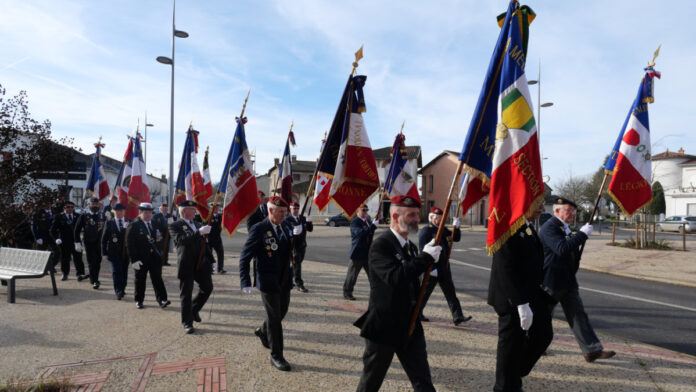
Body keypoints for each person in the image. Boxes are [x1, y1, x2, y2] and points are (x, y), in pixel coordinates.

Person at [353, 195, 442, 392]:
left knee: (423, 381)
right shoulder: (381, 245)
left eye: (417, 215)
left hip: (410, 324)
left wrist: (430, 266)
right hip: (384, 326)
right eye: (411, 215)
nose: (417, 219)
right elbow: (395, 278)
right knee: (370, 383)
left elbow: (412, 282)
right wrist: (424, 258)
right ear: (395, 216)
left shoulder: (409, 247)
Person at [539, 197, 616, 363]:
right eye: (569, 210)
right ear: (557, 211)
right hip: (551, 281)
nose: (573, 213)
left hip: (566, 280)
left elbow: (570, 251)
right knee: (542, 317)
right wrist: (582, 235)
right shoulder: (549, 227)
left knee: (578, 315)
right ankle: (534, 346)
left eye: (574, 211)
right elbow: (561, 249)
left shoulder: (563, 227)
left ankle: (591, 350)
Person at [488, 200, 553, 391]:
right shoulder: (508, 227)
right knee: (510, 343)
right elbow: (505, 267)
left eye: (542, 203)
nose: (542, 208)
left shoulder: (527, 226)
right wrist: (520, 303)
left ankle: (515, 372)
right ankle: (505, 386)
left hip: (530, 293)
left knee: (543, 335)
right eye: (537, 203)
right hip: (511, 297)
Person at [239, 196, 294, 371]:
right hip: (268, 280)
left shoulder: (286, 226)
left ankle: (263, 331)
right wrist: (245, 281)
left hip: (284, 278)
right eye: (280, 212)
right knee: (275, 319)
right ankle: (276, 355)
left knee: (282, 311)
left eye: (285, 212)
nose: (284, 215)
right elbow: (245, 257)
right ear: (270, 211)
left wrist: (300, 235)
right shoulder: (259, 229)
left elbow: (291, 250)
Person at [417, 206, 472, 325]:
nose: (441, 220)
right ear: (431, 218)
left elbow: (455, 238)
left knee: (451, 293)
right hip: (431, 270)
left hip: (444, 267)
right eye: (438, 218)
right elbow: (422, 252)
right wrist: (430, 268)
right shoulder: (426, 232)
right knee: (424, 293)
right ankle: (417, 314)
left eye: (441, 218)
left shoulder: (443, 230)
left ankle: (457, 316)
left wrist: (456, 227)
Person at [169, 200, 214, 334]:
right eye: (192, 209)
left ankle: (194, 310)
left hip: (201, 263)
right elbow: (180, 240)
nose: (195, 212)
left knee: (207, 287)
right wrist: (198, 232)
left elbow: (204, 244)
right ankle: (187, 322)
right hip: (187, 263)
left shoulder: (197, 224)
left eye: (194, 210)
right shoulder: (175, 225)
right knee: (186, 294)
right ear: (184, 211)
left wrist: (212, 259)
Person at [126, 202, 170, 310]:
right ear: (140, 213)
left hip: (154, 257)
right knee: (140, 280)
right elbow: (130, 244)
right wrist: (134, 260)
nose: (148, 215)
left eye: (150, 213)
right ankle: (139, 300)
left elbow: (163, 236)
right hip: (141, 258)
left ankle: (162, 299)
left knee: (157, 279)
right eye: (145, 213)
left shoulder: (155, 224)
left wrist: (170, 224)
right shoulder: (134, 225)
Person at [343, 204, 377, 300]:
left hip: (368, 253)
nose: (365, 212)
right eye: (363, 210)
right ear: (358, 211)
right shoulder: (355, 222)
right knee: (352, 276)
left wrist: (372, 226)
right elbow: (361, 234)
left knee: (373, 275)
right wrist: (373, 226)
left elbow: (369, 235)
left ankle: (376, 293)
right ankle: (347, 292)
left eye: (367, 210)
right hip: (357, 253)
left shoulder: (368, 221)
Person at [50, 200, 87, 281]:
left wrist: (85, 215)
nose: (70, 208)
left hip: (76, 241)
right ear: (64, 208)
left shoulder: (78, 216)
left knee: (78, 258)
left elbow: (85, 227)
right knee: (65, 259)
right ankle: (65, 273)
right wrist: (56, 238)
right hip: (64, 241)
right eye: (68, 207)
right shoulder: (59, 216)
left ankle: (80, 274)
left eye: (72, 207)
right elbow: (52, 230)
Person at [74, 197, 106, 289]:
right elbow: (76, 230)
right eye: (92, 204)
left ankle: (91, 275)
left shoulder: (102, 216)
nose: (94, 206)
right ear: (89, 205)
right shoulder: (84, 216)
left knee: (98, 262)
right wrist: (77, 242)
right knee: (91, 262)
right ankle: (95, 281)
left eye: (96, 204)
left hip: (99, 243)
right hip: (89, 242)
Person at [101, 203, 129, 300]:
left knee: (124, 271)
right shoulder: (109, 223)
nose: (119, 213)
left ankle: (122, 287)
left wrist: (127, 229)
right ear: (114, 212)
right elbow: (104, 239)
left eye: (121, 211)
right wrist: (104, 253)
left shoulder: (128, 222)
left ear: (124, 212)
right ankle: (118, 291)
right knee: (116, 271)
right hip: (114, 252)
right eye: (117, 211)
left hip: (125, 252)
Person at [284, 201, 313, 292]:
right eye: (294, 208)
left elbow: (310, 229)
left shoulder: (302, 218)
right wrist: (293, 232)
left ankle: (289, 279)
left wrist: (309, 222)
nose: (296, 210)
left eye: (297, 208)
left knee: (296, 264)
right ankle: (299, 284)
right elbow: (286, 232)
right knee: (297, 265)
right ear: (290, 209)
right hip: (293, 246)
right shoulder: (287, 219)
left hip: (302, 245)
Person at [32, 202, 57, 272]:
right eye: (47, 203)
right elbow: (34, 226)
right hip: (42, 236)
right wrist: (37, 237)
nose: (48, 204)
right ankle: (43, 268)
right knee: (41, 253)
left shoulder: (54, 212)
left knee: (57, 252)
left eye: (50, 203)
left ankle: (51, 266)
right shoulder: (38, 213)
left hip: (52, 236)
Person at [207, 204, 225, 274]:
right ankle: (210, 268)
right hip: (209, 238)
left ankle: (220, 268)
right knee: (209, 254)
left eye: (217, 207)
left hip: (217, 238)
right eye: (214, 208)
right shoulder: (207, 216)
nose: (216, 209)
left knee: (220, 253)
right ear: (211, 208)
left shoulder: (220, 216)